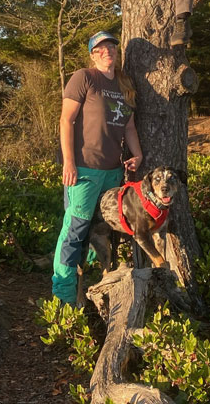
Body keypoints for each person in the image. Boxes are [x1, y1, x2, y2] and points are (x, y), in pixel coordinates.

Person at [51, 30, 143, 306]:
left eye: (111, 47)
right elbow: (66, 120)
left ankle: (93, 290)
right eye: (100, 49)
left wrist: (138, 155)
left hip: (113, 172)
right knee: (74, 231)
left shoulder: (125, 84)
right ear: (92, 54)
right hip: (84, 170)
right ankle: (64, 297)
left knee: (101, 232)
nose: (107, 52)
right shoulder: (84, 78)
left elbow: (129, 127)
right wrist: (69, 162)